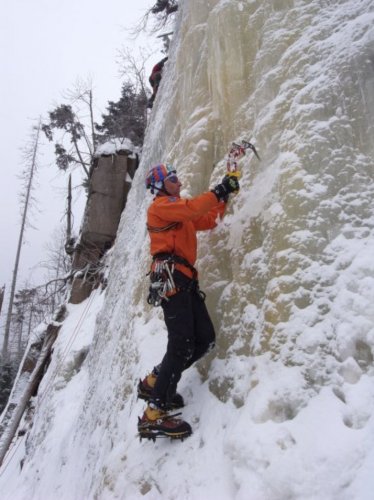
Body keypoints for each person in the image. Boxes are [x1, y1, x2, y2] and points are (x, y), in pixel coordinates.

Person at [137, 163, 240, 440]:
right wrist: (219, 189)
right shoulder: (160, 207)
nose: (179, 182)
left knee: (204, 339)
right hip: (172, 280)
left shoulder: (178, 214)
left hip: (185, 281)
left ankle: (155, 382)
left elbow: (205, 220)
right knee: (181, 344)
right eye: (173, 179)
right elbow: (193, 208)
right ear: (160, 186)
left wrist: (224, 197)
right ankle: (154, 412)